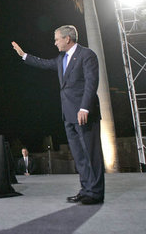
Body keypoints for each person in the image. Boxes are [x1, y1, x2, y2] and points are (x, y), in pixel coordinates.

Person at [12, 25, 105, 205]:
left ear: (67, 39)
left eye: (57, 39)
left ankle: (96, 193)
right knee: (79, 156)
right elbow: (44, 63)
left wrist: (85, 108)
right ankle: (86, 190)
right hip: (68, 114)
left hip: (84, 114)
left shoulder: (87, 55)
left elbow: (91, 83)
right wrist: (24, 55)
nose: (55, 43)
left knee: (90, 154)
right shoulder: (62, 58)